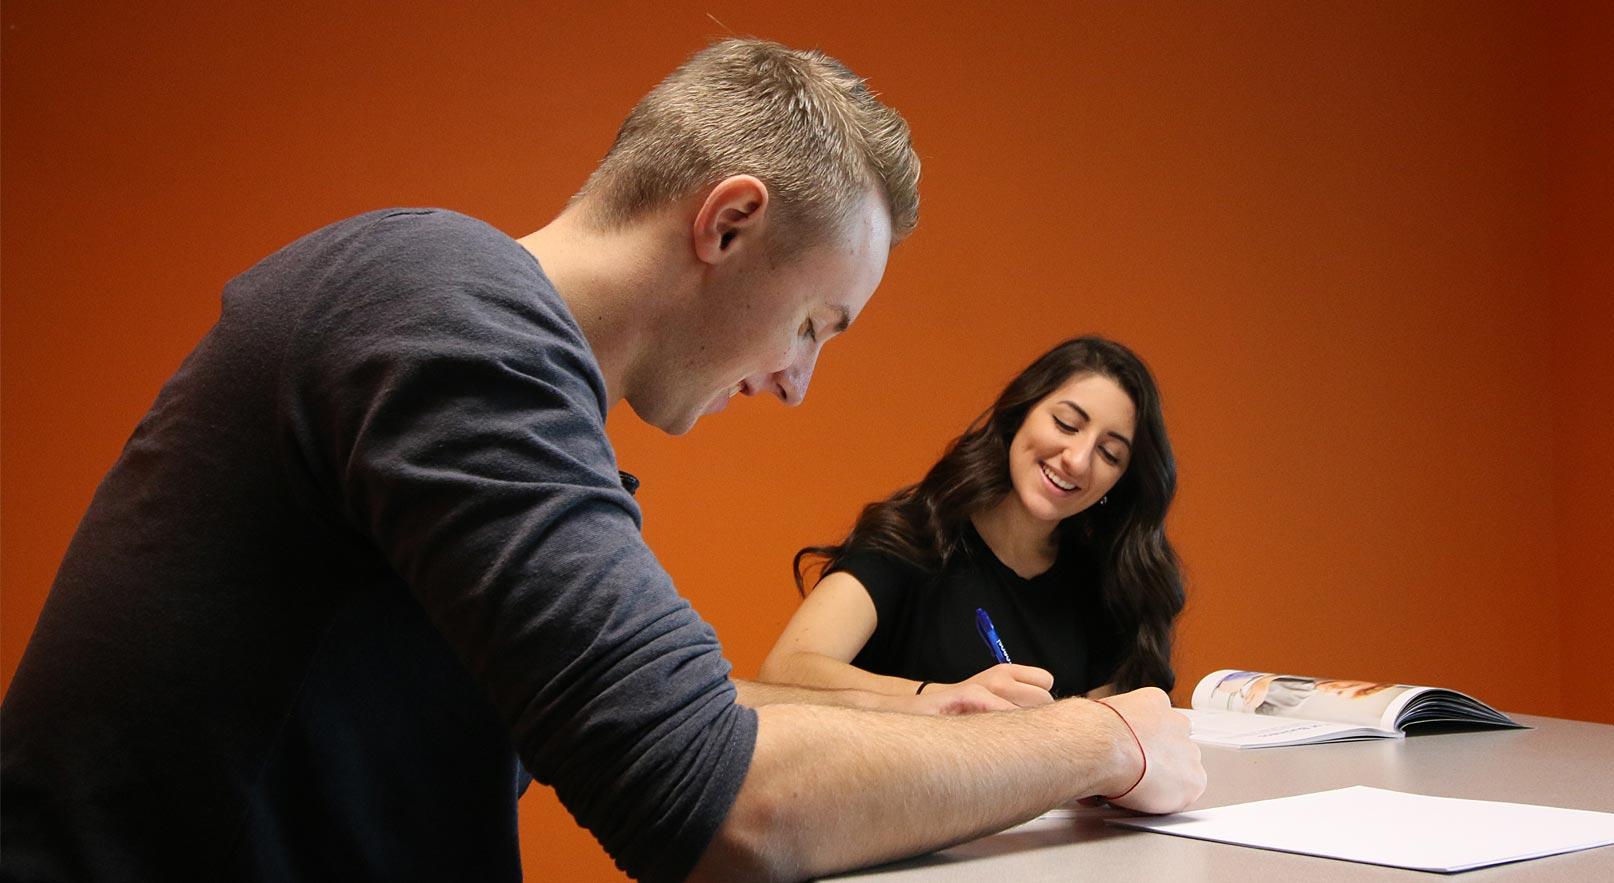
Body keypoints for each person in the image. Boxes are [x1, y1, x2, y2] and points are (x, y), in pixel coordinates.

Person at [0, 39, 1204, 883]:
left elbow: (657, 707)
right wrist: (1109, 739)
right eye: (814, 325)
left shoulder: (476, 345)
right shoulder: (448, 320)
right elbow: (716, 807)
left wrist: (944, 723)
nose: (797, 381)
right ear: (727, 223)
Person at [761, 337, 1184, 707]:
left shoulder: (1104, 585)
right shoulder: (916, 537)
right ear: (1019, 414)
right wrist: (945, 698)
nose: (1077, 460)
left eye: (1109, 454)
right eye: (1066, 424)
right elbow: (785, 671)